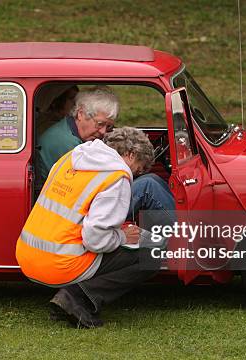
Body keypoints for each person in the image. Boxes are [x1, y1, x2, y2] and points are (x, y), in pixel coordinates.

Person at [17, 127, 161, 328]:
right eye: (141, 167)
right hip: (60, 263)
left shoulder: (72, 157)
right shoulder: (116, 177)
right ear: (131, 155)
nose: (138, 173)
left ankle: (72, 294)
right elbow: (94, 239)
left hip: (28, 255)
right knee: (152, 254)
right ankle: (76, 297)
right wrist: (122, 237)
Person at [36, 85, 175, 229]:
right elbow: (97, 187)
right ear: (81, 114)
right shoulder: (67, 144)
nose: (103, 132)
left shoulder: (69, 132)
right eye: (100, 124)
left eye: (108, 127)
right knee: (148, 186)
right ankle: (187, 236)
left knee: (151, 180)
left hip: (77, 202)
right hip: (76, 214)